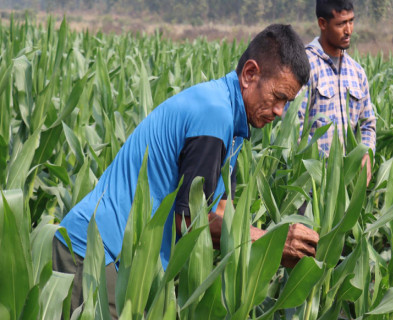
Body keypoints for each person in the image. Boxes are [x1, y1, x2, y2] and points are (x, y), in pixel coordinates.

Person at [52, 24, 320, 317]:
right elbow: (189, 221)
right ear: (250, 74)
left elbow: (218, 207)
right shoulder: (214, 115)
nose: (281, 111)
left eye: (287, 102)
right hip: (96, 255)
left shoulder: (232, 123)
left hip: (126, 260)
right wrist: (273, 242)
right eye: (278, 96)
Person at [296, 0, 376, 185]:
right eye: (341, 24)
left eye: (351, 21)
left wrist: (366, 152)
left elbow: (367, 124)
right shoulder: (305, 67)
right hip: (311, 188)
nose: (348, 30)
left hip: (348, 186)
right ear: (322, 23)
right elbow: (294, 126)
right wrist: (319, 168)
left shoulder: (357, 72)